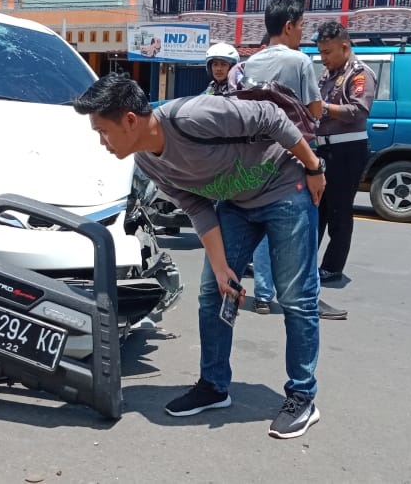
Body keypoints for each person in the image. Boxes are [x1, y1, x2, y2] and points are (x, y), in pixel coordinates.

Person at [73, 73, 327, 439]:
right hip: (237, 204)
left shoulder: (191, 116)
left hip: (285, 187)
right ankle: (214, 385)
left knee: (295, 296)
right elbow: (196, 206)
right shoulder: (147, 162)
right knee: (214, 293)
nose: (102, 142)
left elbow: (271, 116)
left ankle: (302, 395)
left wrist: (313, 166)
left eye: (103, 131)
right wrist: (223, 268)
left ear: (129, 119)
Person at [237, 0, 323, 316]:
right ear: (289, 26)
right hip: (295, 163)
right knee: (300, 241)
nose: (302, 33)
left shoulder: (251, 63)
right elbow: (314, 111)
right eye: (301, 27)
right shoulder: (299, 61)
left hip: (259, 162)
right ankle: (299, 303)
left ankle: (263, 293)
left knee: (262, 228)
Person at [313, 20, 377, 285]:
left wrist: (323, 108)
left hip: (348, 150)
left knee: (339, 210)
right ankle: (305, 262)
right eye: (321, 52)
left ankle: (332, 267)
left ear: (344, 46)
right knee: (318, 209)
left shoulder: (359, 73)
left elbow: (358, 111)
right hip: (325, 149)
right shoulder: (327, 75)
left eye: (327, 52)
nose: (323, 58)